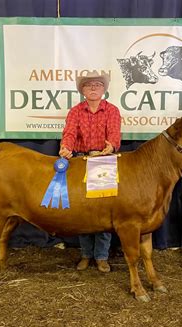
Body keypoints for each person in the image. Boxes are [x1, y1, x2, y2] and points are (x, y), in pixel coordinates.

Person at [59, 71, 121, 273]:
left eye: (97, 85)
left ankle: (101, 256)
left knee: (103, 211)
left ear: (104, 89)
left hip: (103, 161)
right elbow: (69, 133)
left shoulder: (112, 110)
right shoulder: (75, 111)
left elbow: (114, 134)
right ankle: (86, 254)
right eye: (88, 85)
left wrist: (111, 146)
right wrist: (65, 148)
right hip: (80, 160)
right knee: (83, 210)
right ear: (83, 90)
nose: (93, 88)